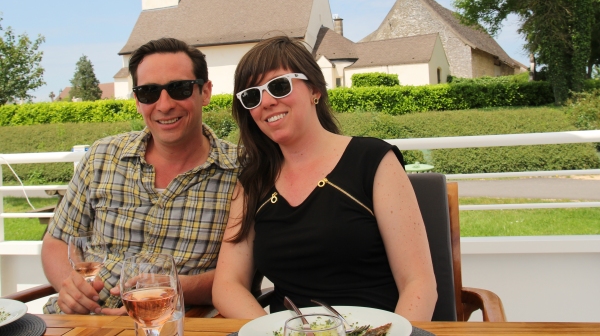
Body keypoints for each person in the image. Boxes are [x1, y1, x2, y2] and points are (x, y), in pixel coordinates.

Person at [212, 36, 437, 320]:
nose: (266, 102)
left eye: (279, 86)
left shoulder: (373, 160)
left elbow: (418, 283)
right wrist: (271, 331)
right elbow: (227, 285)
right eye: (252, 96)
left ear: (315, 89)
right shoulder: (253, 182)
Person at [41, 37, 239, 314]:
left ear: (204, 92)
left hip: (171, 324)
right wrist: (70, 287)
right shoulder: (103, 156)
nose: (165, 104)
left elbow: (241, 277)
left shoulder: (240, 172)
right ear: (136, 100)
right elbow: (58, 240)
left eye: (179, 89)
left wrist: (170, 288)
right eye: (149, 93)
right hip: (80, 322)